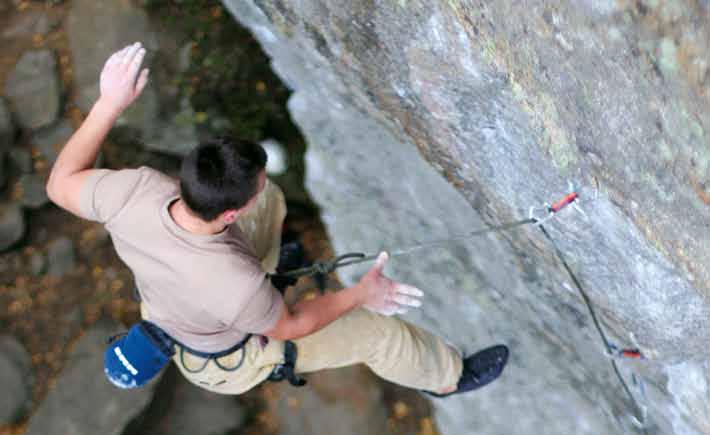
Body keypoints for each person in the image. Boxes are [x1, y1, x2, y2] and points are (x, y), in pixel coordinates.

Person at [46, 42, 509, 397]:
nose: (261, 187)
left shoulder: (135, 191)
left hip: (179, 297)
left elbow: (60, 182)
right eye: (254, 188)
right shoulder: (236, 285)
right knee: (378, 333)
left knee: (272, 206)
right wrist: (361, 294)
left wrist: (109, 103)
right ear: (229, 213)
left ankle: (271, 267)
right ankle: (449, 377)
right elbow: (291, 326)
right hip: (228, 355)